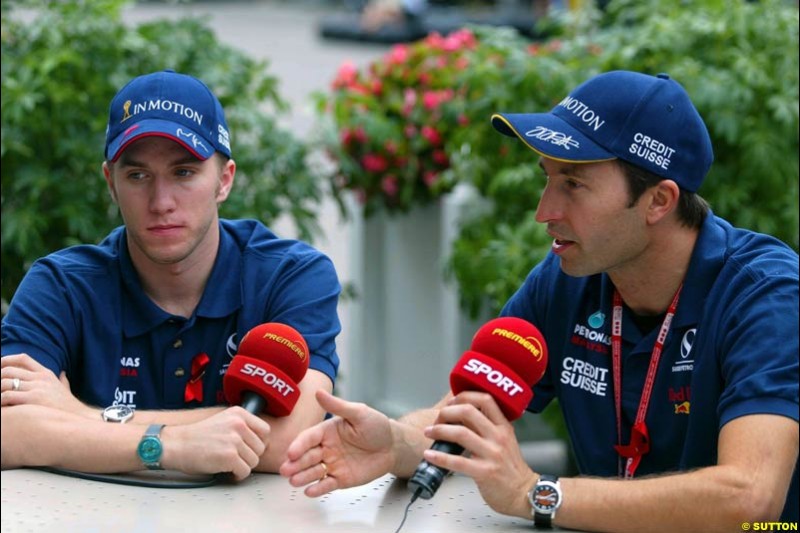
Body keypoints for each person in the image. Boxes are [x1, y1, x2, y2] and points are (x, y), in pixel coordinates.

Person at [280, 70, 799, 529]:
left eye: (573, 183)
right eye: (547, 178)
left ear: (658, 201)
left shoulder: (766, 295)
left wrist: (538, 494)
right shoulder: (567, 275)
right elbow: (470, 416)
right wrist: (395, 443)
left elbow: (750, 500)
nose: (543, 210)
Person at [0, 70, 342, 481]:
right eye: (138, 176)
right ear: (111, 183)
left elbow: (291, 437)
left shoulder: (292, 276)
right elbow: (9, 430)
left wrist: (78, 415)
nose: (161, 202)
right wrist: (170, 446)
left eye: (183, 173)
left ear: (224, 180)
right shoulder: (60, 285)